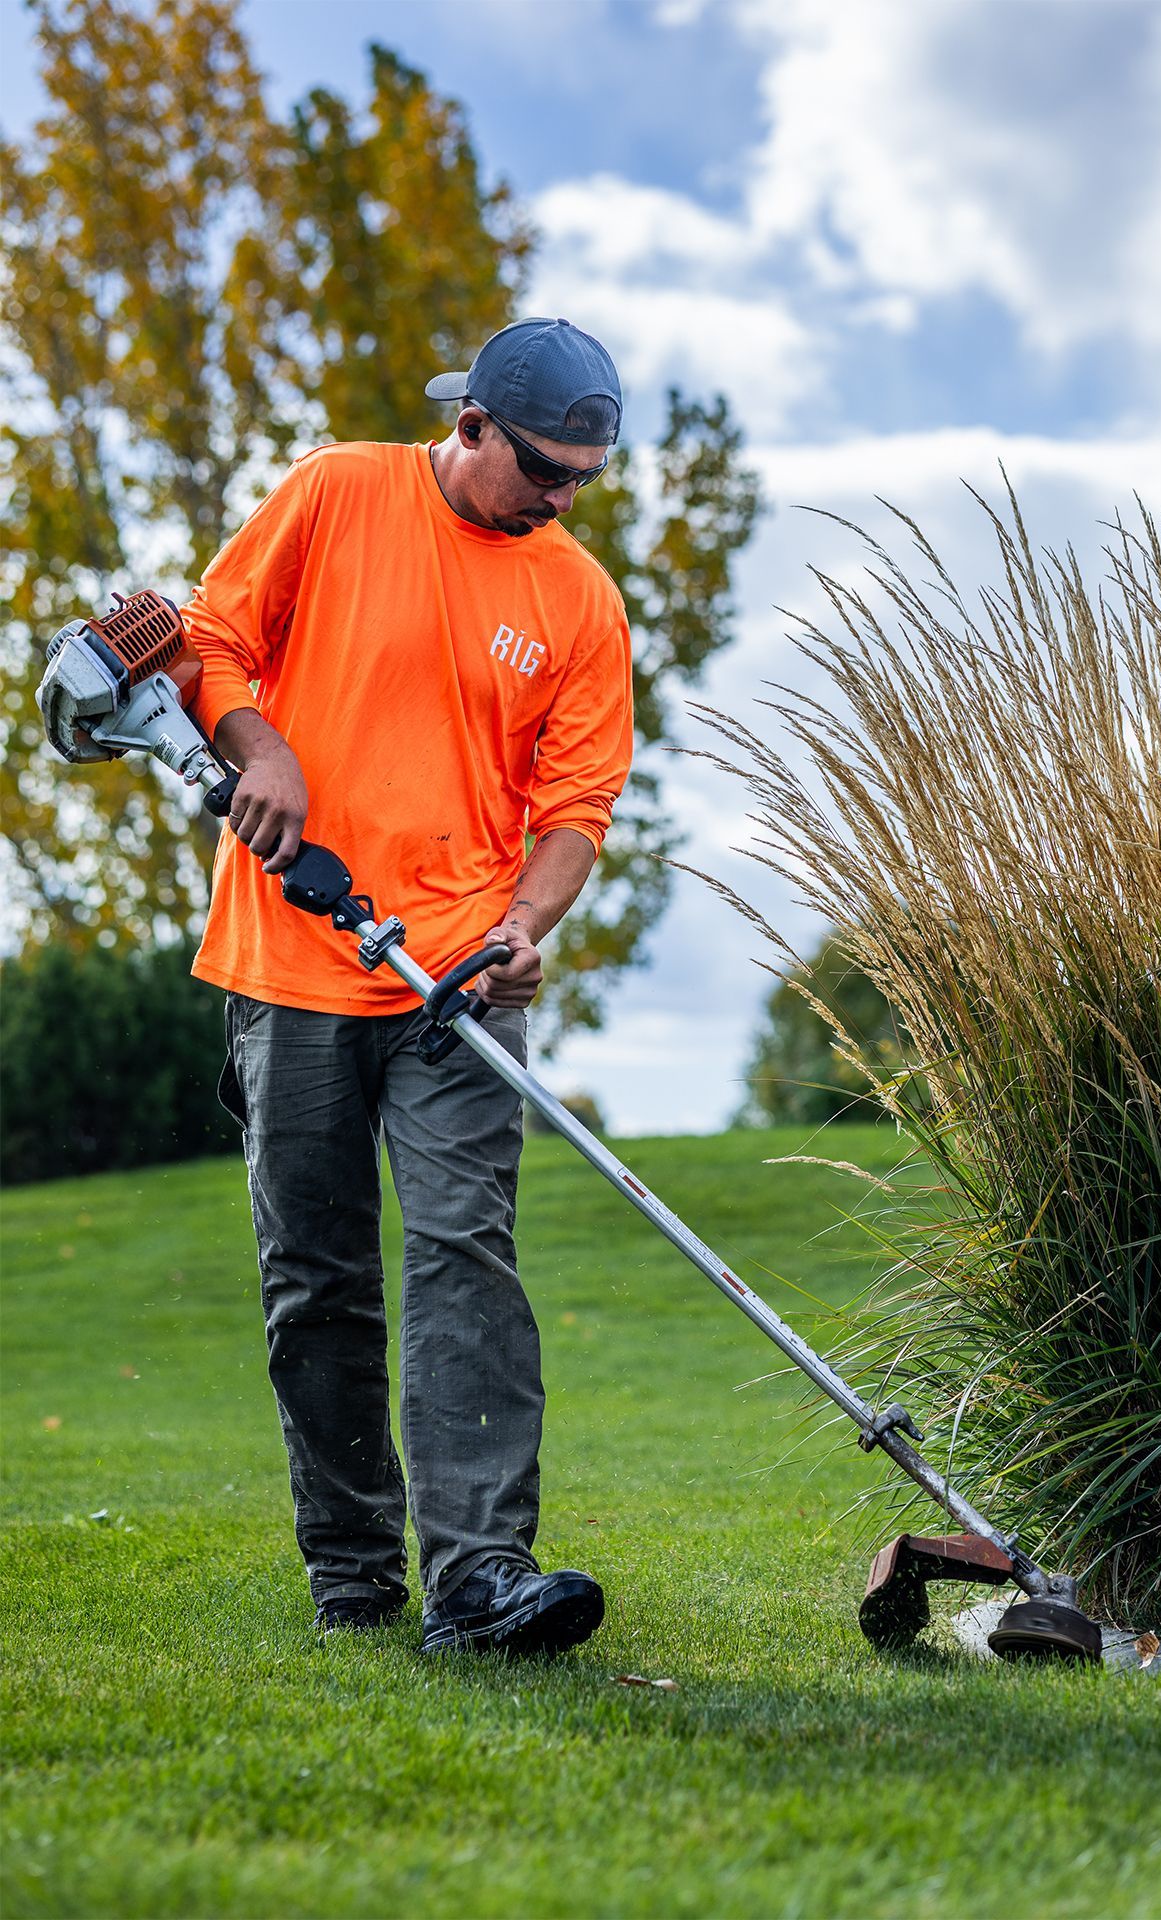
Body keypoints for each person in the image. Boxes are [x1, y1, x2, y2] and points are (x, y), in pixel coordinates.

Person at [182, 317, 633, 1658]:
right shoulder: (337, 492)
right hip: (293, 957)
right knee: (315, 1281)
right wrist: (259, 749)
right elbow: (209, 643)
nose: (556, 498)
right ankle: (355, 1579)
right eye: (540, 469)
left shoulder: (579, 599)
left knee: (463, 1261)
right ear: (474, 425)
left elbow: (578, 803)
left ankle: (485, 1579)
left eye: (582, 482)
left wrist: (525, 922)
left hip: (461, 982)